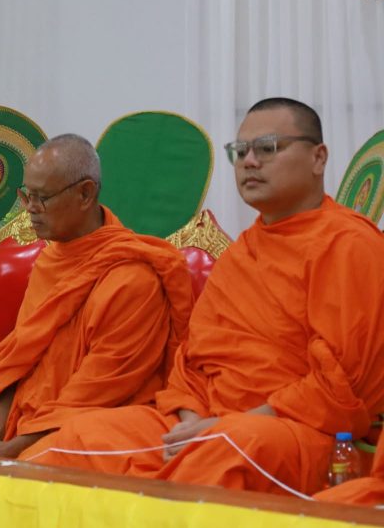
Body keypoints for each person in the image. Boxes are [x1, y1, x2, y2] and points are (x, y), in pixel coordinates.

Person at [28, 98, 384, 496]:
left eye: (267, 148)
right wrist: (190, 423)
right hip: (205, 423)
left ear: (318, 158)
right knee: (77, 438)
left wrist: (221, 427)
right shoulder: (242, 253)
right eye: (240, 151)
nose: (249, 161)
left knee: (226, 448)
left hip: (296, 433)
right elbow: (192, 360)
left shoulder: (349, 244)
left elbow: (341, 386)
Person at [0, 135, 193, 458]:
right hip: (21, 427)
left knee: (50, 455)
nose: (30, 209)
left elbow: (94, 395)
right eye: (26, 196)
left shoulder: (133, 280)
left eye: (41, 198)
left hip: (81, 431)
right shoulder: (49, 263)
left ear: (85, 193)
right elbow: (17, 362)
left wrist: (10, 451)